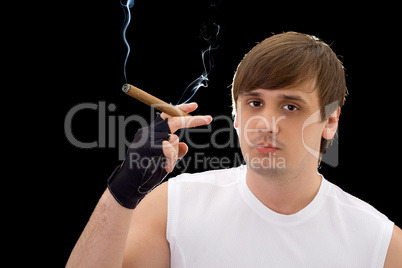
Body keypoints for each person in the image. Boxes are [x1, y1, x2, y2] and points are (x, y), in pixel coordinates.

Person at [66, 32, 402, 267]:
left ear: (330, 121)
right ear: (237, 117)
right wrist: (123, 190)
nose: (265, 123)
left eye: (290, 107)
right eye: (255, 102)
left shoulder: (380, 242)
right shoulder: (173, 207)